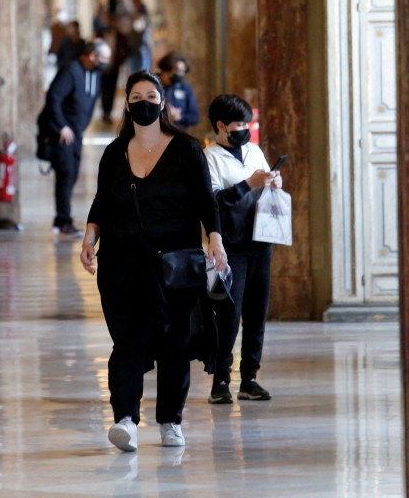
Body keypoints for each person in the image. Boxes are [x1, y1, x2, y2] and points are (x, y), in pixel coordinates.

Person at [80, 70, 228, 452]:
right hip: (121, 263)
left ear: (162, 103)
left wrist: (215, 238)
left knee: (173, 342)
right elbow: (100, 201)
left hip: (174, 265)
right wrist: (89, 234)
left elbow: (205, 200)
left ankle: (170, 421)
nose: (143, 102)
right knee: (127, 339)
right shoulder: (114, 152)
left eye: (150, 96)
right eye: (136, 97)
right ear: (127, 104)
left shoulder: (186, 149)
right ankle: (125, 419)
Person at [202, 94, 282, 404]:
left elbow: (264, 185)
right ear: (221, 126)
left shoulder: (254, 151)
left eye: (247, 124)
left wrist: (272, 182)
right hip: (230, 245)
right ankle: (220, 379)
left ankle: (250, 378)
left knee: (256, 312)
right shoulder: (210, 158)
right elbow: (213, 203)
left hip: (260, 241)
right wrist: (248, 184)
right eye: (238, 125)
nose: (244, 130)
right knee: (228, 314)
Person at [36, 39, 111, 235]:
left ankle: (63, 219)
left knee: (72, 174)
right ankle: (63, 220)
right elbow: (54, 97)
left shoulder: (96, 74)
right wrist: (61, 126)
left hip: (76, 133)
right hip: (62, 134)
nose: (106, 62)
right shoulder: (71, 70)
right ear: (92, 56)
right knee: (66, 174)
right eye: (103, 58)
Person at [157, 52, 199, 131]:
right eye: (177, 70)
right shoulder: (152, 85)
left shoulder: (185, 88)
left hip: (178, 134)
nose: (180, 74)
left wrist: (180, 116)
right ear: (167, 69)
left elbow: (194, 117)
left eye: (183, 71)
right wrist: (165, 114)